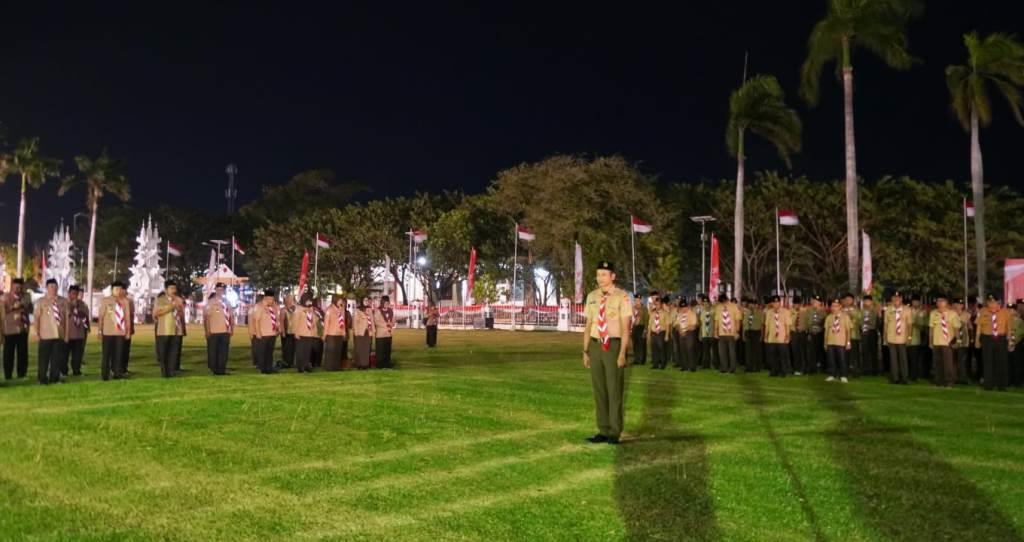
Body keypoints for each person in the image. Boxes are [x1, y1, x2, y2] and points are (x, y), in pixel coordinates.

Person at [581, 261, 631, 445]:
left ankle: (614, 431)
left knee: (614, 389)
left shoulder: (622, 297)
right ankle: (602, 429)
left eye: (604, 274)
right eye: (598, 274)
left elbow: (626, 329)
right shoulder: (592, 296)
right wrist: (585, 351)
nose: (600, 278)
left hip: (613, 346)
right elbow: (588, 326)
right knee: (599, 390)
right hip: (595, 345)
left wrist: (622, 353)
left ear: (613, 276)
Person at [33, 279, 68, 385]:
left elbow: (66, 319)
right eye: (51, 286)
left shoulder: (63, 301)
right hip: (45, 334)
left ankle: (54, 378)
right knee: (44, 358)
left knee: (56, 358)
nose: (53, 288)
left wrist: (66, 335)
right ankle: (42, 378)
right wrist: (37, 333)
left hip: (59, 334)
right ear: (47, 288)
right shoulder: (41, 301)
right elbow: (36, 318)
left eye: (55, 286)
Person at [975, 294, 1011, 391]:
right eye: (989, 302)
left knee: (1001, 362)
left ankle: (1002, 385)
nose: (991, 304)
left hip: (1001, 338)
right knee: (987, 362)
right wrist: (977, 340)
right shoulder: (983, 311)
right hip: (987, 338)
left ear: (998, 302)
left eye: (993, 302)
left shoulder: (1005, 312)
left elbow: (1009, 328)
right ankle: (988, 384)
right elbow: (979, 326)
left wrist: (1010, 341)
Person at [97, 281, 132, 380]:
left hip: (120, 332)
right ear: (112, 290)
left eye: (120, 289)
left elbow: (127, 318)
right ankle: (105, 374)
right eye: (116, 289)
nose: (118, 291)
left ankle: (117, 373)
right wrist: (100, 330)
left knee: (119, 354)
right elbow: (101, 316)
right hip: (108, 332)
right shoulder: (106, 301)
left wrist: (128, 332)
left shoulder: (125, 302)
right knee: (106, 354)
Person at [153, 281, 186, 378]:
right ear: (166, 289)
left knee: (174, 352)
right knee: (164, 352)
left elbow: (181, 314)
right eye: (171, 288)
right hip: (164, 330)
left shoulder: (179, 299)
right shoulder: (160, 300)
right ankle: (164, 371)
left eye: (174, 288)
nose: (173, 291)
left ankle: (172, 371)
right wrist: (171, 307)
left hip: (176, 330)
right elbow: (156, 314)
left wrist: (179, 310)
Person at [928, 294, 961, 389]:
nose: (939, 303)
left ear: (946, 302)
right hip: (937, 341)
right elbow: (931, 329)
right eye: (938, 301)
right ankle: (938, 381)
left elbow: (956, 329)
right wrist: (930, 341)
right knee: (937, 363)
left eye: (942, 301)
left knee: (948, 363)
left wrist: (957, 340)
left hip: (948, 342)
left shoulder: (952, 314)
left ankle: (949, 382)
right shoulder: (933, 313)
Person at [2, 278, 32, 381]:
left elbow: (30, 308)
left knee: (23, 353)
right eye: (16, 287)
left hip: (22, 329)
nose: (18, 289)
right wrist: (13, 307)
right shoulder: (5, 298)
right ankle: (8, 375)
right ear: (11, 287)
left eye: (20, 287)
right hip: (10, 329)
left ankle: (22, 374)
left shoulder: (26, 297)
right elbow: (3, 311)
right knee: (8, 354)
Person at [203, 283, 233, 376]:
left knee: (224, 352)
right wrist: (207, 331)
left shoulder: (227, 302)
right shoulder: (210, 302)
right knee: (213, 351)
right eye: (218, 289)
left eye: (222, 289)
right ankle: (214, 369)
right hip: (214, 331)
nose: (220, 291)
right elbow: (206, 318)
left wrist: (231, 328)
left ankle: (222, 369)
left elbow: (231, 316)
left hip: (225, 331)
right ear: (215, 290)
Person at [883, 291, 913, 385]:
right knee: (893, 359)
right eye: (894, 298)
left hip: (902, 337)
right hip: (891, 337)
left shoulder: (907, 310)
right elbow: (886, 324)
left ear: (901, 299)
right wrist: (885, 337)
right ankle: (895, 377)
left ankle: (904, 377)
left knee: (903, 359)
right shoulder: (888, 310)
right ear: (892, 299)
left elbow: (910, 325)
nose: (896, 300)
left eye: (898, 298)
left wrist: (909, 336)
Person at [823, 298, 852, 383]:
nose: (833, 308)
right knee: (831, 359)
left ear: (840, 307)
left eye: (836, 306)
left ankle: (843, 375)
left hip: (841, 342)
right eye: (832, 306)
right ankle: (832, 374)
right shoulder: (829, 317)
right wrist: (825, 343)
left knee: (842, 359)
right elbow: (826, 331)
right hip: (830, 341)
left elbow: (848, 331)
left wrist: (848, 342)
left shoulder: (845, 317)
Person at [763, 295, 793, 377]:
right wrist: (766, 336)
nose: (776, 304)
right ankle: (774, 371)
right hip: (772, 337)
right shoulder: (769, 313)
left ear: (780, 303)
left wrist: (787, 336)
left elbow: (788, 325)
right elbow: (767, 325)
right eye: (774, 302)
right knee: (773, 356)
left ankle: (784, 371)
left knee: (783, 355)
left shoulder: (785, 312)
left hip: (782, 337)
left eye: (777, 302)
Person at [252, 290, 280, 374]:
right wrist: (258, 333)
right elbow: (256, 321)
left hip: (272, 333)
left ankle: (269, 367)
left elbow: (276, 319)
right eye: (271, 299)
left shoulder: (272, 307)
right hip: (263, 334)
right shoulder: (259, 306)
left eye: (272, 299)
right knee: (262, 352)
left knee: (269, 352)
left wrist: (277, 329)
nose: (272, 301)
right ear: (266, 298)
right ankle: (263, 368)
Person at [713, 294, 742, 374]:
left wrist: (737, 331)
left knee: (732, 352)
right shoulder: (718, 307)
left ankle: (732, 368)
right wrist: (715, 331)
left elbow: (738, 319)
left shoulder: (734, 306)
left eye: (724, 302)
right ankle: (724, 367)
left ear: (727, 299)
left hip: (731, 332)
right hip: (722, 333)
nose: (723, 304)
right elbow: (716, 320)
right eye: (721, 302)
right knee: (722, 352)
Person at [64, 285, 89, 377]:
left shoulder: (82, 304)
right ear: (69, 293)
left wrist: (86, 330)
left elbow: (85, 317)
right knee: (65, 354)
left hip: (79, 333)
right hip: (67, 333)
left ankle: (76, 370)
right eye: (73, 293)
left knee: (77, 354)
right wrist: (71, 306)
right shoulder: (64, 303)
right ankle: (64, 371)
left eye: (76, 294)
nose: (74, 295)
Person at [293, 292, 320, 372]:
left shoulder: (311, 309)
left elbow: (315, 320)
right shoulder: (299, 309)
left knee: (308, 351)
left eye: (310, 300)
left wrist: (312, 312)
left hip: (309, 333)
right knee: (301, 351)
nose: (309, 302)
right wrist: (296, 332)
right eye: (307, 300)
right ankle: (300, 366)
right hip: (301, 333)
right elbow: (295, 321)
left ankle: (306, 365)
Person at [323, 294, 351, 371]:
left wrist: (344, 332)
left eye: (341, 300)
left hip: (339, 333)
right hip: (331, 333)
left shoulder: (342, 310)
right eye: (339, 300)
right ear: (335, 301)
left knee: (338, 351)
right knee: (331, 351)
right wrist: (325, 334)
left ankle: (336, 366)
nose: (341, 302)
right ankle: (329, 367)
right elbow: (326, 323)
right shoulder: (330, 310)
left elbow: (343, 322)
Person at [646, 293, 670, 370]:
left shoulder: (665, 313)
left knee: (662, 349)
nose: (657, 306)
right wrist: (649, 335)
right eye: (655, 304)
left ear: (661, 304)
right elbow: (650, 325)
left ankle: (663, 364)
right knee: (654, 349)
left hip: (661, 332)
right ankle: (655, 364)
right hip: (653, 333)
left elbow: (667, 325)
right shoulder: (652, 313)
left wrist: (666, 335)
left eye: (658, 304)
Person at [675, 298, 699, 372]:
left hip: (689, 333)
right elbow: (676, 324)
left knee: (690, 350)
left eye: (684, 307)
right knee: (683, 350)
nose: (683, 309)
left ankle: (692, 367)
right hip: (681, 333)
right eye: (682, 308)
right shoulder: (679, 314)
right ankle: (684, 366)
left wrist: (685, 329)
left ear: (687, 306)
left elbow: (694, 325)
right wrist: (680, 330)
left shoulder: (692, 313)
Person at [841, 294, 862, 376]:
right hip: (844, 336)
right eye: (846, 299)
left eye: (849, 299)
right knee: (845, 354)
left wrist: (852, 315)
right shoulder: (841, 309)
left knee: (854, 354)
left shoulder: (856, 310)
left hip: (854, 335)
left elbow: (860, 320)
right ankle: (845, 369)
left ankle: (855, 370)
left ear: (852, 300)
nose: (848, 301)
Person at [953, 298, 973, 385]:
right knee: (954, 360)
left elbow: (970, 327)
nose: (958, 306)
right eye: (956, 304)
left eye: (960, 304)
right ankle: (955, 377)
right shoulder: (951, 314)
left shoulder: (966, 315)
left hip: (964, 340)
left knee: (962, 360)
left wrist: (972, 338)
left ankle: (963, 377)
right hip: (953, 339)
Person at [742, 298, 764, 373]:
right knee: (748, 351)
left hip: (756, 332)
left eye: (753, 304)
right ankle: (749, 367)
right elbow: (744, 324)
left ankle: (757, 367)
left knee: (756, 351)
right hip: (748, 332)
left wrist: (762, 334)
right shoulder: (746, 312)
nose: (752, 305)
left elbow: (762, 325)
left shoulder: (759, 312)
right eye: (750, 304)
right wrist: (743, 334)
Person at [860, 297, 880, 376]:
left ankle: (875, 370)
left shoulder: (875, 310)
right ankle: (866, 369)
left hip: (872, 331)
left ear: (871, 302)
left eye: (868, 301)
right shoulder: (861, 311)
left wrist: (879, 315)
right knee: (865, 351)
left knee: (873, 351)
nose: (866, 302)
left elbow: (878, 323)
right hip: (864, 331)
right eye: (865, 301)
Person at [118, 286, 136, 375]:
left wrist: (131, 328)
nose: (123, 292)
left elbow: (131, 316)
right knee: (118, 350)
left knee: (126, 350)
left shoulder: (130, 301)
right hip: (118, 330)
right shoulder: (114, 301)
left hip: (127, 329)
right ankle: (117, 368)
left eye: (124, 290)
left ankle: (124, 368)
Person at [375, 295, 395, 369]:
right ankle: (380, 364)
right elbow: (377, 322)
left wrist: (392, 323)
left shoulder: (390, 310)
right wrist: (386, 324)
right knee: (381, 350)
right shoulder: (378, 311)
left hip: (388, 334)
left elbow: (393, 320)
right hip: (381, 334)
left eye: (388, 303)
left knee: (387, 349)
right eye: (385, 303)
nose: (387, 304)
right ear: (382, 303)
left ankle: (387, 363)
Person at [353, 298, 374, 370]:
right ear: (362, 301)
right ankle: (359, 364)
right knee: (360, 349)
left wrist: (373, 330)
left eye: (367, 300)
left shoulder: (369, 310)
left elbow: (372, 320)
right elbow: (355, 322)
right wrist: (356, 332)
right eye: (365, 300)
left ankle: (365, 364)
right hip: (360, 332)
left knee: (367, 349)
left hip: (368, 332)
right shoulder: (357, 310)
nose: (366, 302)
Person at [696, 295, 716, 369]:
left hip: (712, 333)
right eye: (704, 303)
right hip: (704, 333)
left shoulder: (713, 311)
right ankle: (705, 365)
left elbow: (715, 322)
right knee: (705, 350)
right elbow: (701, 324)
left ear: (709, 303)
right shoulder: (702, 312)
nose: (705, 305)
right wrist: (700, 334)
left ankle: (714, 364)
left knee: (713, 351)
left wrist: (715, 332)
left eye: (707, 303)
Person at [280, 293, 297, 369]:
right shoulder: (283, 310)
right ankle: (286, 362)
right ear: (286, 300)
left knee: (293, 348)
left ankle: (291, 362)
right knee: (286, 348)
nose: (290, 301)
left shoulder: (295, 309)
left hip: (294, 331)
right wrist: (283, 332)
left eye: (291, 299)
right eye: (289, 299)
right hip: (286, 332)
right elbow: (281, 321)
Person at [630, 296, 647, 365]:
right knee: (635, 344)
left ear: (640, 300)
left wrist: (645, 329)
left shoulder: (644, 308)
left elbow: (646, 319)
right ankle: (636, 359)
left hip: (641, 327)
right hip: (634, 327)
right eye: (636, 300)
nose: (637, 301)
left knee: (642, 344)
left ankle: (642, 360)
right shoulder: (632, 308)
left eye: (638, 300)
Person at [248, 294, 264, 367]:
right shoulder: (257, 309)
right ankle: (259, 363)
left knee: (256, 348)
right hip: (258, 332)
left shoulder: (252, 308)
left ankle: (257, 362)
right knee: (259, 348)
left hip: (255, 332)